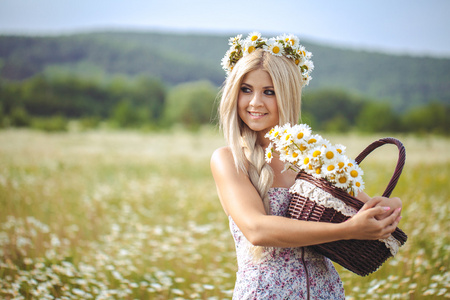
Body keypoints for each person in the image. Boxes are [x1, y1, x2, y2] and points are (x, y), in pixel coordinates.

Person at [210, 32, 403, 299]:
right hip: (265, 293)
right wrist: (347, 230)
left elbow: (364, 209)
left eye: (269, 92)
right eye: (246, 90)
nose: (255, 102)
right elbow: (257, 229)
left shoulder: (313, 155)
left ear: (287, 96)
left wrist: (385, 210)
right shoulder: (228, 159)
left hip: (326, 292)